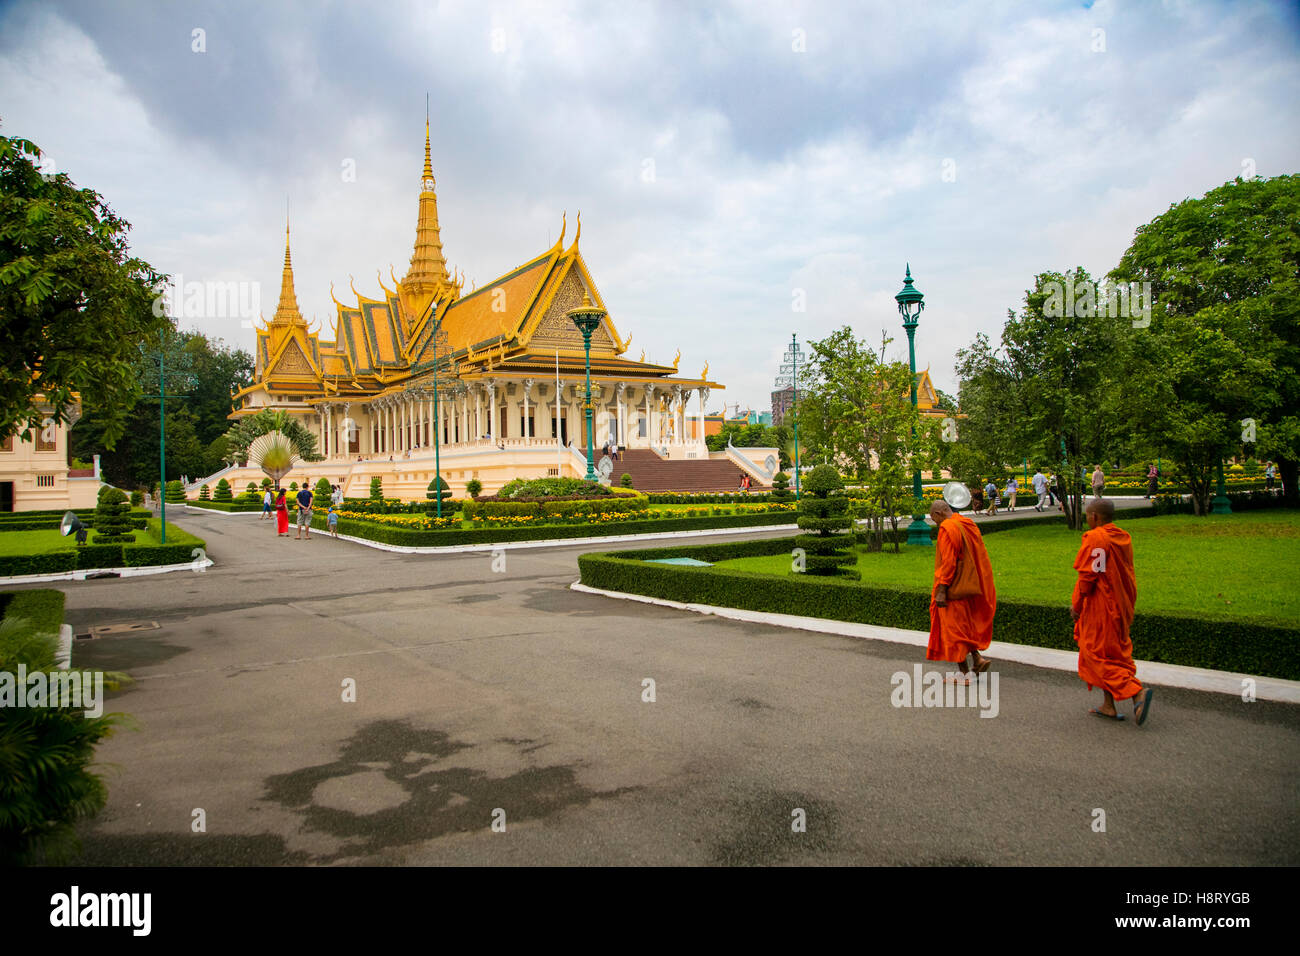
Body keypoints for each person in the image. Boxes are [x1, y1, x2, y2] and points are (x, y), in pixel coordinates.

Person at [1072, 497, 1154, 725]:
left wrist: (1077, 604)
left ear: (1094, 517)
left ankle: (1136, 692)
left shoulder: (1097, 538)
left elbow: (1089, 576)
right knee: (1110, 653)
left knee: (1094, 653)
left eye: (1088, 516)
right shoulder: (1122, 537)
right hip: (1120, 603)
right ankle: (1108, 705)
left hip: (1101, 606)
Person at [927, 500, 996, 682]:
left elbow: (949, 562)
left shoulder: (947, 528)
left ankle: (964, 674)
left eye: (934, 518)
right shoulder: (966, 523)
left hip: (953, 587)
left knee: (953, 631)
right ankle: (977, 659)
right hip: (968, 584)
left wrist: (942, 589)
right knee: (963, 627)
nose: (935, 523)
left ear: (939, 513)